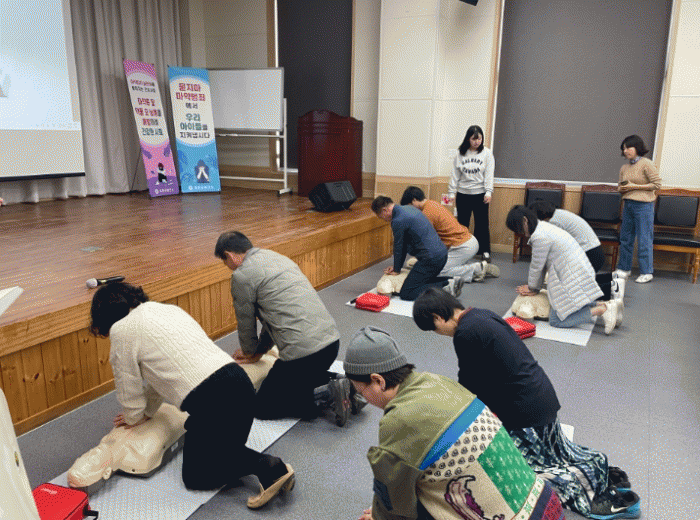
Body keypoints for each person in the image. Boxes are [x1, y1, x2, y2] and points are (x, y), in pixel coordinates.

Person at [412, 288, 641, 520]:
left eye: (434, 328)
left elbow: (470, 383)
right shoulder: (480, 315)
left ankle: (596, 495)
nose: (438, 333)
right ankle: (599, 471)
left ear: (438, 317)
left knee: (524, 472)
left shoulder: (465, 333)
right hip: (540, 396)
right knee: (556, 454)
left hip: (523, 412)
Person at [89, 282, 295, 509]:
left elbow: (128, 385)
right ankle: (258, 464)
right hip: (240, 385)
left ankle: (269, 467)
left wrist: (133, 417)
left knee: (196, 475)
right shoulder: (167, 310)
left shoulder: (122, 330)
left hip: (214, 401)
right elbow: (159, 378)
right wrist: (147, 411)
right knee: (220, 451)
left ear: (104, 318)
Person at [343, 326, 566, 520]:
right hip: (546, 504)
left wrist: (378, 516)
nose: (365, 399)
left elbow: (394, 497)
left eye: (361, 391)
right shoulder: (437, 381)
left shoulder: (399, 420)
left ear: (378, 381)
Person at [214, 231, 353, 425]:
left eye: (224, 262)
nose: (227, 266)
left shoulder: (242, 275)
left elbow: (245, 322)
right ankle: (344, 383)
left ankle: (326, 395)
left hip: (303, 356)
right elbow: (273, 320)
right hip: (331, 345)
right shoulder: (278, 258)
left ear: (229, 256)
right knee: (302, 379)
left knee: (262, 407)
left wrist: (249, 352)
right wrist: (260, 350)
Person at [505, 205, 620, 334]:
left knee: (557, 320)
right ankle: (608, 306)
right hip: (579, 267)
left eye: (518, 228)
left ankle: (602, 309)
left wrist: (532, 288)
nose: (519, 233)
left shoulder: (539, 236)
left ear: (525, 221)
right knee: (573, 304)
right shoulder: (544, 226)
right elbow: (540, 266)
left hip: (572, 272)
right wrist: (534, 287)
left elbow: (536, 266)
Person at [401, 186, 500, 283]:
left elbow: (427, 243)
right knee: (434, 264)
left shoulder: (427, 213)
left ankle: (478, 269)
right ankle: (471, 266)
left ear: (414, 200)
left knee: (437, 271)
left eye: (409, 206)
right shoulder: (432, 203)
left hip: (463, 246)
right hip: (468, 242)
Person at [371, 196, 460, 300]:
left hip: (430, 259)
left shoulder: (398, 220)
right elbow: (403, 245)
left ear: (385, 210)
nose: (383, 219)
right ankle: (450, 280)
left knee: (407, 293)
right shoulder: (409, 208)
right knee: (421, 282)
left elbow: (399, 246)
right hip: (442, 254)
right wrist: (396, 267)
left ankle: (446, 287)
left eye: (380, 216)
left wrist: (396, 270)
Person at [528, 200, 619, 301]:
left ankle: (613, 288)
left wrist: (534, 287)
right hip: (594, 252)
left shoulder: (553, 223)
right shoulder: (558, 214)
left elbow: (542, 259)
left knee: (571, 292)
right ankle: (614, 278)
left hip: (590, 254)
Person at [614, 135, 662, 284]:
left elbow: (657, 184)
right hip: (628, 204)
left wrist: (634, 186)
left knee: (644, 239)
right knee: (626, 238)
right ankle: (624, 269)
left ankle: (646, 272)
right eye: (623, 148)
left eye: (629, 147)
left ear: (637, 148)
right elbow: (620, 186)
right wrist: (623, 188)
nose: (625, 151)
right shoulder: (624, 167)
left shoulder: (647, 163)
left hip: (644, 206)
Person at [448, 125, 494, 262]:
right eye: (474, 139)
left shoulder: (486, 153)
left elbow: (489, 174)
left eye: (479, 139)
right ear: (468, 139)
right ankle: (461, 250)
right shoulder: (460, 153)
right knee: (462, 224)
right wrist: (451, 193)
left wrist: (488, 191)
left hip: (480, 194)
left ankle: (485, 251)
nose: (476, 142)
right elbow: (454, 174)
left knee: (482, 224)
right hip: (463, 194)